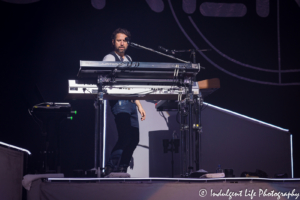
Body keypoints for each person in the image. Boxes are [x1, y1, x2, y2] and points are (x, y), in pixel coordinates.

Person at [103, 28, 146, 176]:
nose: (122, 43)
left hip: (131, 102)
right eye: (119, 40)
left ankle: (122, 168)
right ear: (113, 42)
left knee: (134, 138)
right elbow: (106, 80)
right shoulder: (109, 58)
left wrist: (139, 105)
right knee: (125, 136)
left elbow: (131, 84)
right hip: (119, 101)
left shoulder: (128, 59)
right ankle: (110, 166)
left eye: (125, 40)